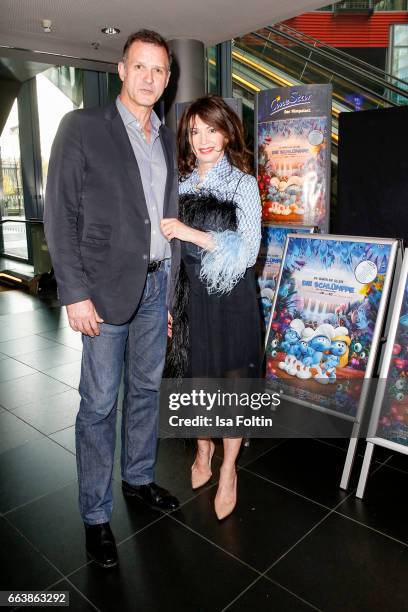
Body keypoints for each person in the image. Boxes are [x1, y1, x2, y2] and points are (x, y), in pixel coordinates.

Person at [44, 29, 180, 569]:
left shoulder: (167, 137)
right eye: (141, 67)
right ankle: (96, 515)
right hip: (101, 291)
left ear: (168, 79)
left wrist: (169, 293)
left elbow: (163, 219)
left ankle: (139, 478)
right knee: (99, 404)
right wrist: (75, 293)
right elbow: (60, 213)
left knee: (146, 389)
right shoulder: (81, 128)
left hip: (155, 284)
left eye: (160, 71)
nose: (150, 78)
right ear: (122, 70)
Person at [161, 95, 262, 520]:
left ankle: (229, 470)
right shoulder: (178, 184)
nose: (203, 139)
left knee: (234, 386)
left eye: (211, 129)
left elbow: (251, 251)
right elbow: (170, 255)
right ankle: (202, 451)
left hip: (232, 299)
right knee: (195, 381)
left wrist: (192, 232)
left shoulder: (243, 184)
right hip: (190, 298)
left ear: (227, 132)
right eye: (194, 131)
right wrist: (168, 304)